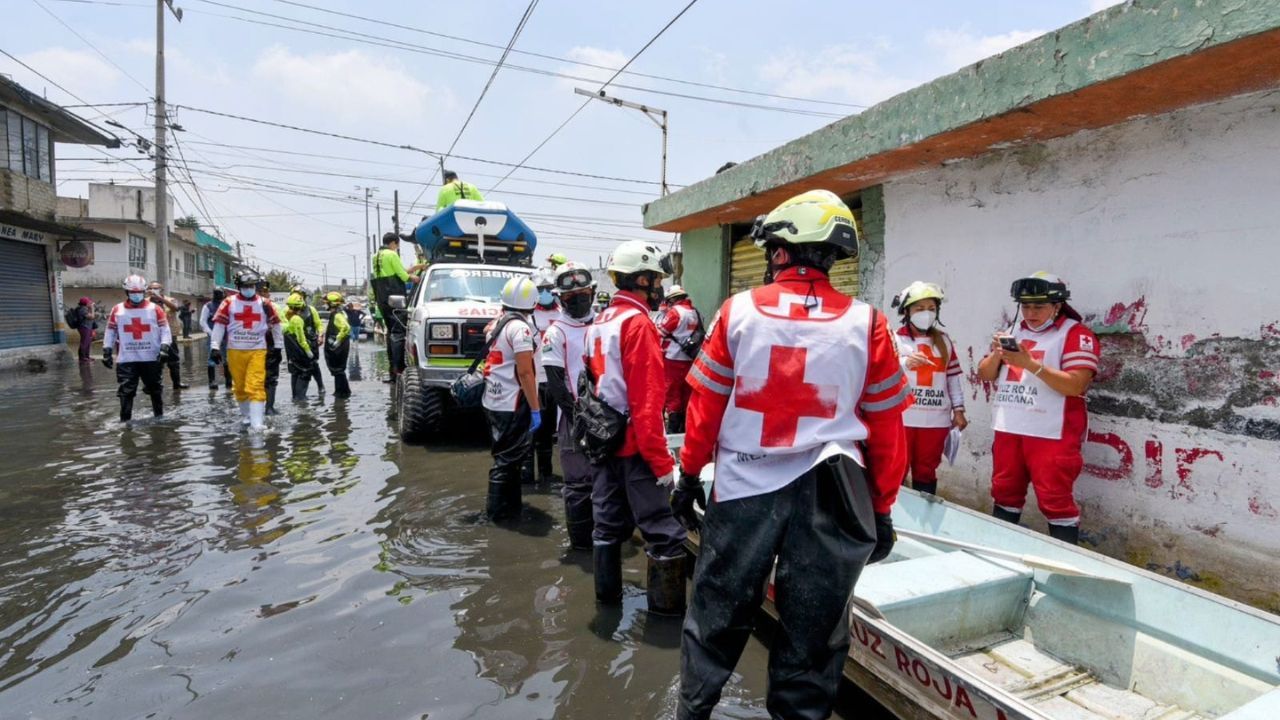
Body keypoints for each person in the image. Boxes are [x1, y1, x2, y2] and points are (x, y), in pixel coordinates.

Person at [674, 190, 910, 720]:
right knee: (813, 637)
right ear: (832, 256)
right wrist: (882, 506)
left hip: (744, 487)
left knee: (715, 616)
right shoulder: (869, 323)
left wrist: (688, 475)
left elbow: (704, 410)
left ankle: (693, 711)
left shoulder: (736, 313)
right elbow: (888, 431)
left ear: (780, 251)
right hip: (834, 490)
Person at [586, 240, 688, 615]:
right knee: (665, 535)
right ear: (642, 279)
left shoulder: (599, 322)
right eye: (656, 280)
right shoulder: (638, 324)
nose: (660, 288)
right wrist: (663, 467)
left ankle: (606, 608)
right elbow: (647, 407)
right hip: (634, 447)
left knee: (607, 527)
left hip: (602, 440)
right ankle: (666, 625)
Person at [976, 272, 1100, 545]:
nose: (1030, 313)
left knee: (1055, 500)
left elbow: (1075, 386)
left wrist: (1029, 363)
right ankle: (998, 552)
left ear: (1057, 306)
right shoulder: (1013, 331)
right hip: (1010, 428)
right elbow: (985, 375)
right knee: (1004, 492)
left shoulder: (1076, 334)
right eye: (1026, 306)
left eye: (1039, 307)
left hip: (1051, 432)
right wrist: (997, 354)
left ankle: (1065, 562)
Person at [540, 261, 597, 550]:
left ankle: (606, 539)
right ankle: (581, 547)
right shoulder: (556, 332)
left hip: (607, 416)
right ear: (560, 299)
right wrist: (579, 418)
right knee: (577, 485)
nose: (578, 300)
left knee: (607, 480)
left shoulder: (603, 323)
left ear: (593, 292)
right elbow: (555, 382)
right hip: (573, 417)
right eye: (570, 296)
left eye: (583, 293)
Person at [892, 281, 967, 495]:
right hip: (903, 418)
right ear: (906, 311)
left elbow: (952, 377)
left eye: (931, 309)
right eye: (919, 308)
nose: (926, 313)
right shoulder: (894, 338)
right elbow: (881, 370)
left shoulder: (943, 340)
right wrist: (905, 363)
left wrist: (959, 410)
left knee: (926, 472)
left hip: (936, 421)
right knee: (897, 470)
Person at [481, 276, 542, 521]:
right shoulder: (520, 328)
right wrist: (536, 408)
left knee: (507, 458)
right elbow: (525, 372)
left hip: (493, 398)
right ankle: (497, 516)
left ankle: (511, 510)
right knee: (506, 462)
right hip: (512, 401)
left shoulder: (496, 324)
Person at [209, 271, 286, 431]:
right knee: (240, 387)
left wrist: (278, 347)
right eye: (245, 286)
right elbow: (219, 325)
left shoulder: (265, 304)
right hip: (234, 350)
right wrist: (215, 347)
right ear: (238, 286)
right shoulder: (228, 303)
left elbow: (276, 325)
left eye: (251, 286)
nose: (249, 289)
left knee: (256, 385)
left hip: (258, 350)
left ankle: (257, 423)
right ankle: (247, 417)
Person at [102, 275, 172, 422]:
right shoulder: (117, 309)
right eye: (132, 292)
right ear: (126, 292)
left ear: (144, 291)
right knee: (126, 392)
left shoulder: (155, 309)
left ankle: (159, 419)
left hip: (151, 358)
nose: (136, 295)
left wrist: (165, 347)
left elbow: (165, 329)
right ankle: (125, 423)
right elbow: (111, 331)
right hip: (127, 359)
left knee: (155, 389)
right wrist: (107, 350)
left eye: (139, 292)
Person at [371, 232, 426, 381]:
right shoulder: (392, 254)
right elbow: (402, 276)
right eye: (397, 245)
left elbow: (395, 272)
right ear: (394, 243)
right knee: (398, 334)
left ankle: (392, 372)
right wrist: (414, 277)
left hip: (382, 296)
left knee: (391, 333)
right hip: (394, 295)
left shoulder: (376, 256)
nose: (397, 248)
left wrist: (415, 267)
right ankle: (400, 371)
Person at [526, 266, 563, 483]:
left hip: (555, 381)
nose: (546, 292)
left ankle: (547, 474)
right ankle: (529, 475)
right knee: (532, 431)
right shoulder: (528, 314)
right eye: (541, 288)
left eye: (549, 288)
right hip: (534, 380)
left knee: (549, 431)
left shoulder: (562, 312)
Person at [655, 285, 702, 433]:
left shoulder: (675, 313)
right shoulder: (695, 312)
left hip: (672, 359)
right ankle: (686, 428)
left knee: (672, 394)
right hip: (690, 358)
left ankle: (673, 429)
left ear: (672, 299)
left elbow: (659, 332)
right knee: (687, 394)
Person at [147, 280, 190, 390]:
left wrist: (160, 298)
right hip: (151, 336)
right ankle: (154, 384)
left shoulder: (170, 300)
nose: (153, 290)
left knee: (173, 360)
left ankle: (177, 383)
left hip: (169, 335)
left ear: (161, 290)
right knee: (154, 361)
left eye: (156, 288)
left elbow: (175, 308)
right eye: (151, 288)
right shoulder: (145, 302)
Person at [288, 287, 326, 395]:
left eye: (301, 296)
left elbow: (319, 324)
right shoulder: (288, 311)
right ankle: (295, 393)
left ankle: (320, 385)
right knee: (294, 368)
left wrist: (320, 336)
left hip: (310, 341)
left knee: (313, 364)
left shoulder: (311, 310)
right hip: (296, 344)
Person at [283, 294, 319, 401]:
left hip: (292, 353)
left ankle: (295, 397)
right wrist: (308, 352)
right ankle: (300, 398)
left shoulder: (287, 317)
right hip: (300, 352)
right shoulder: (297, 319)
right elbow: (301, 339)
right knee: (304, 373)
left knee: (295, 373)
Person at [257, 278, 283, 415]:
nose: (264, 294)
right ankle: (258, 407)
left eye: (265, 291)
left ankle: (269, 407)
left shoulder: (271, 306)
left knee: (271, 377)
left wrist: (278, 347)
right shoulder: (245, 305)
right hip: (252, 347)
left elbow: (278, 327)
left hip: (269, 346)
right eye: (261, 291)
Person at [323, 292, 353, 398]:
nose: (324, 305)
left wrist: (338, 340)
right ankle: (339, 391)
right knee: (337, 370)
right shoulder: (336, 314)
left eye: (326, 303)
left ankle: (343, 393)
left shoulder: (338, 316)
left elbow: (346, 328)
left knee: (338, 370)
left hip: (338, 347)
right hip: (338, 347)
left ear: (332, 304)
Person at [201, 288, 231, 389]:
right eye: (216, 293)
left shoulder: (227, 305)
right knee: (212, 358)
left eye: (220, 293)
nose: (219, 295)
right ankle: (212, 381)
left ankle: (229, 380)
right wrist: (211, 333)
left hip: (227, 336)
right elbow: (203, 321)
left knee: (227, 358)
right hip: (213, 335)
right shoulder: (208, 306)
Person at [71, 297, 96, 363]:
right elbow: (92, 316)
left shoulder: (86, 309)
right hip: (84, 327)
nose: (90, 304)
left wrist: (90, 308)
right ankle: (82, 358)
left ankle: (87, 357)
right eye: (89, 302)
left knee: (88, 342)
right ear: (85, 303)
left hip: (88, 327)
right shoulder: (82, 309)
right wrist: (92, 308)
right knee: (84, 342)